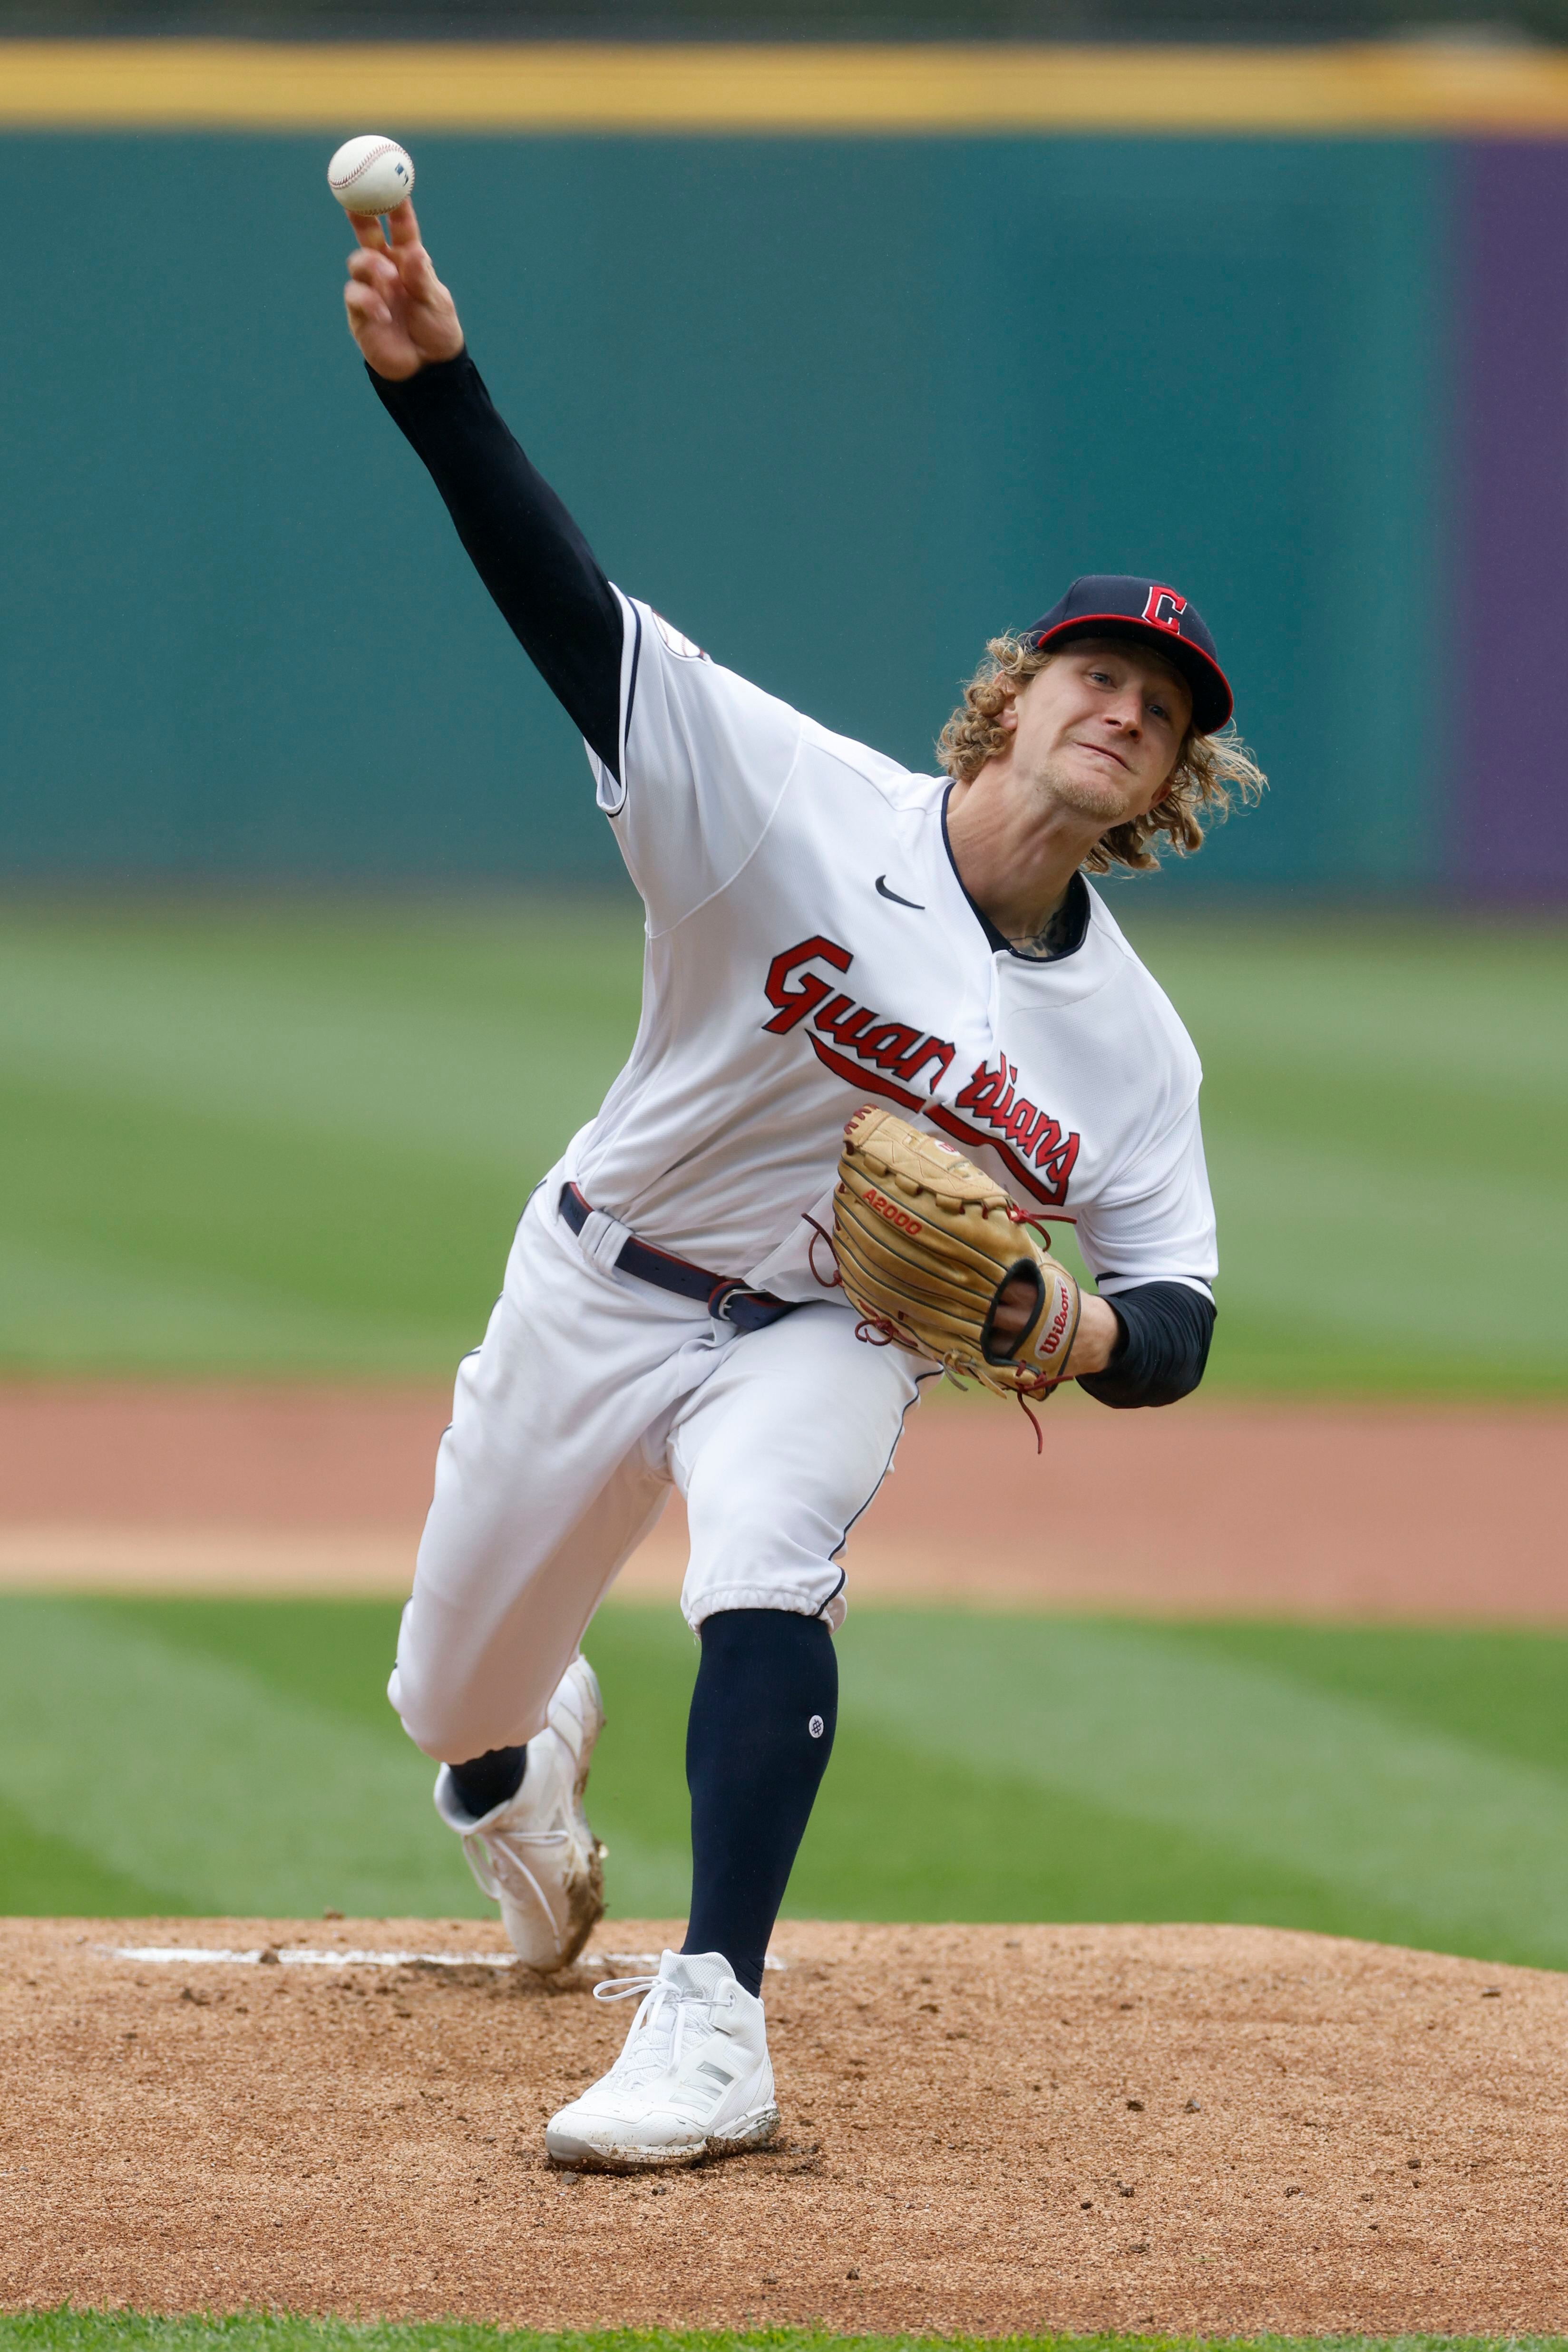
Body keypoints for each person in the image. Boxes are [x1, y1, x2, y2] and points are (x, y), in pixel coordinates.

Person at [340, 200, 1264, 2174]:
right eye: (1098, 674)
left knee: (769, 1549)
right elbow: (570, 615)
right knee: (447, 1687)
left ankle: (717, 2019)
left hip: (834, 1334)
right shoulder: (787, 801)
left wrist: (1079, 1324)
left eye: (1163, 711)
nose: (1126, 707)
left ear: (1173, 784)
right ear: (1015, 695)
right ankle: (518, 1768)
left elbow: (1177, 1312)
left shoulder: (1135, 1051)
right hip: (602, 1278)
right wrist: (442, 396)